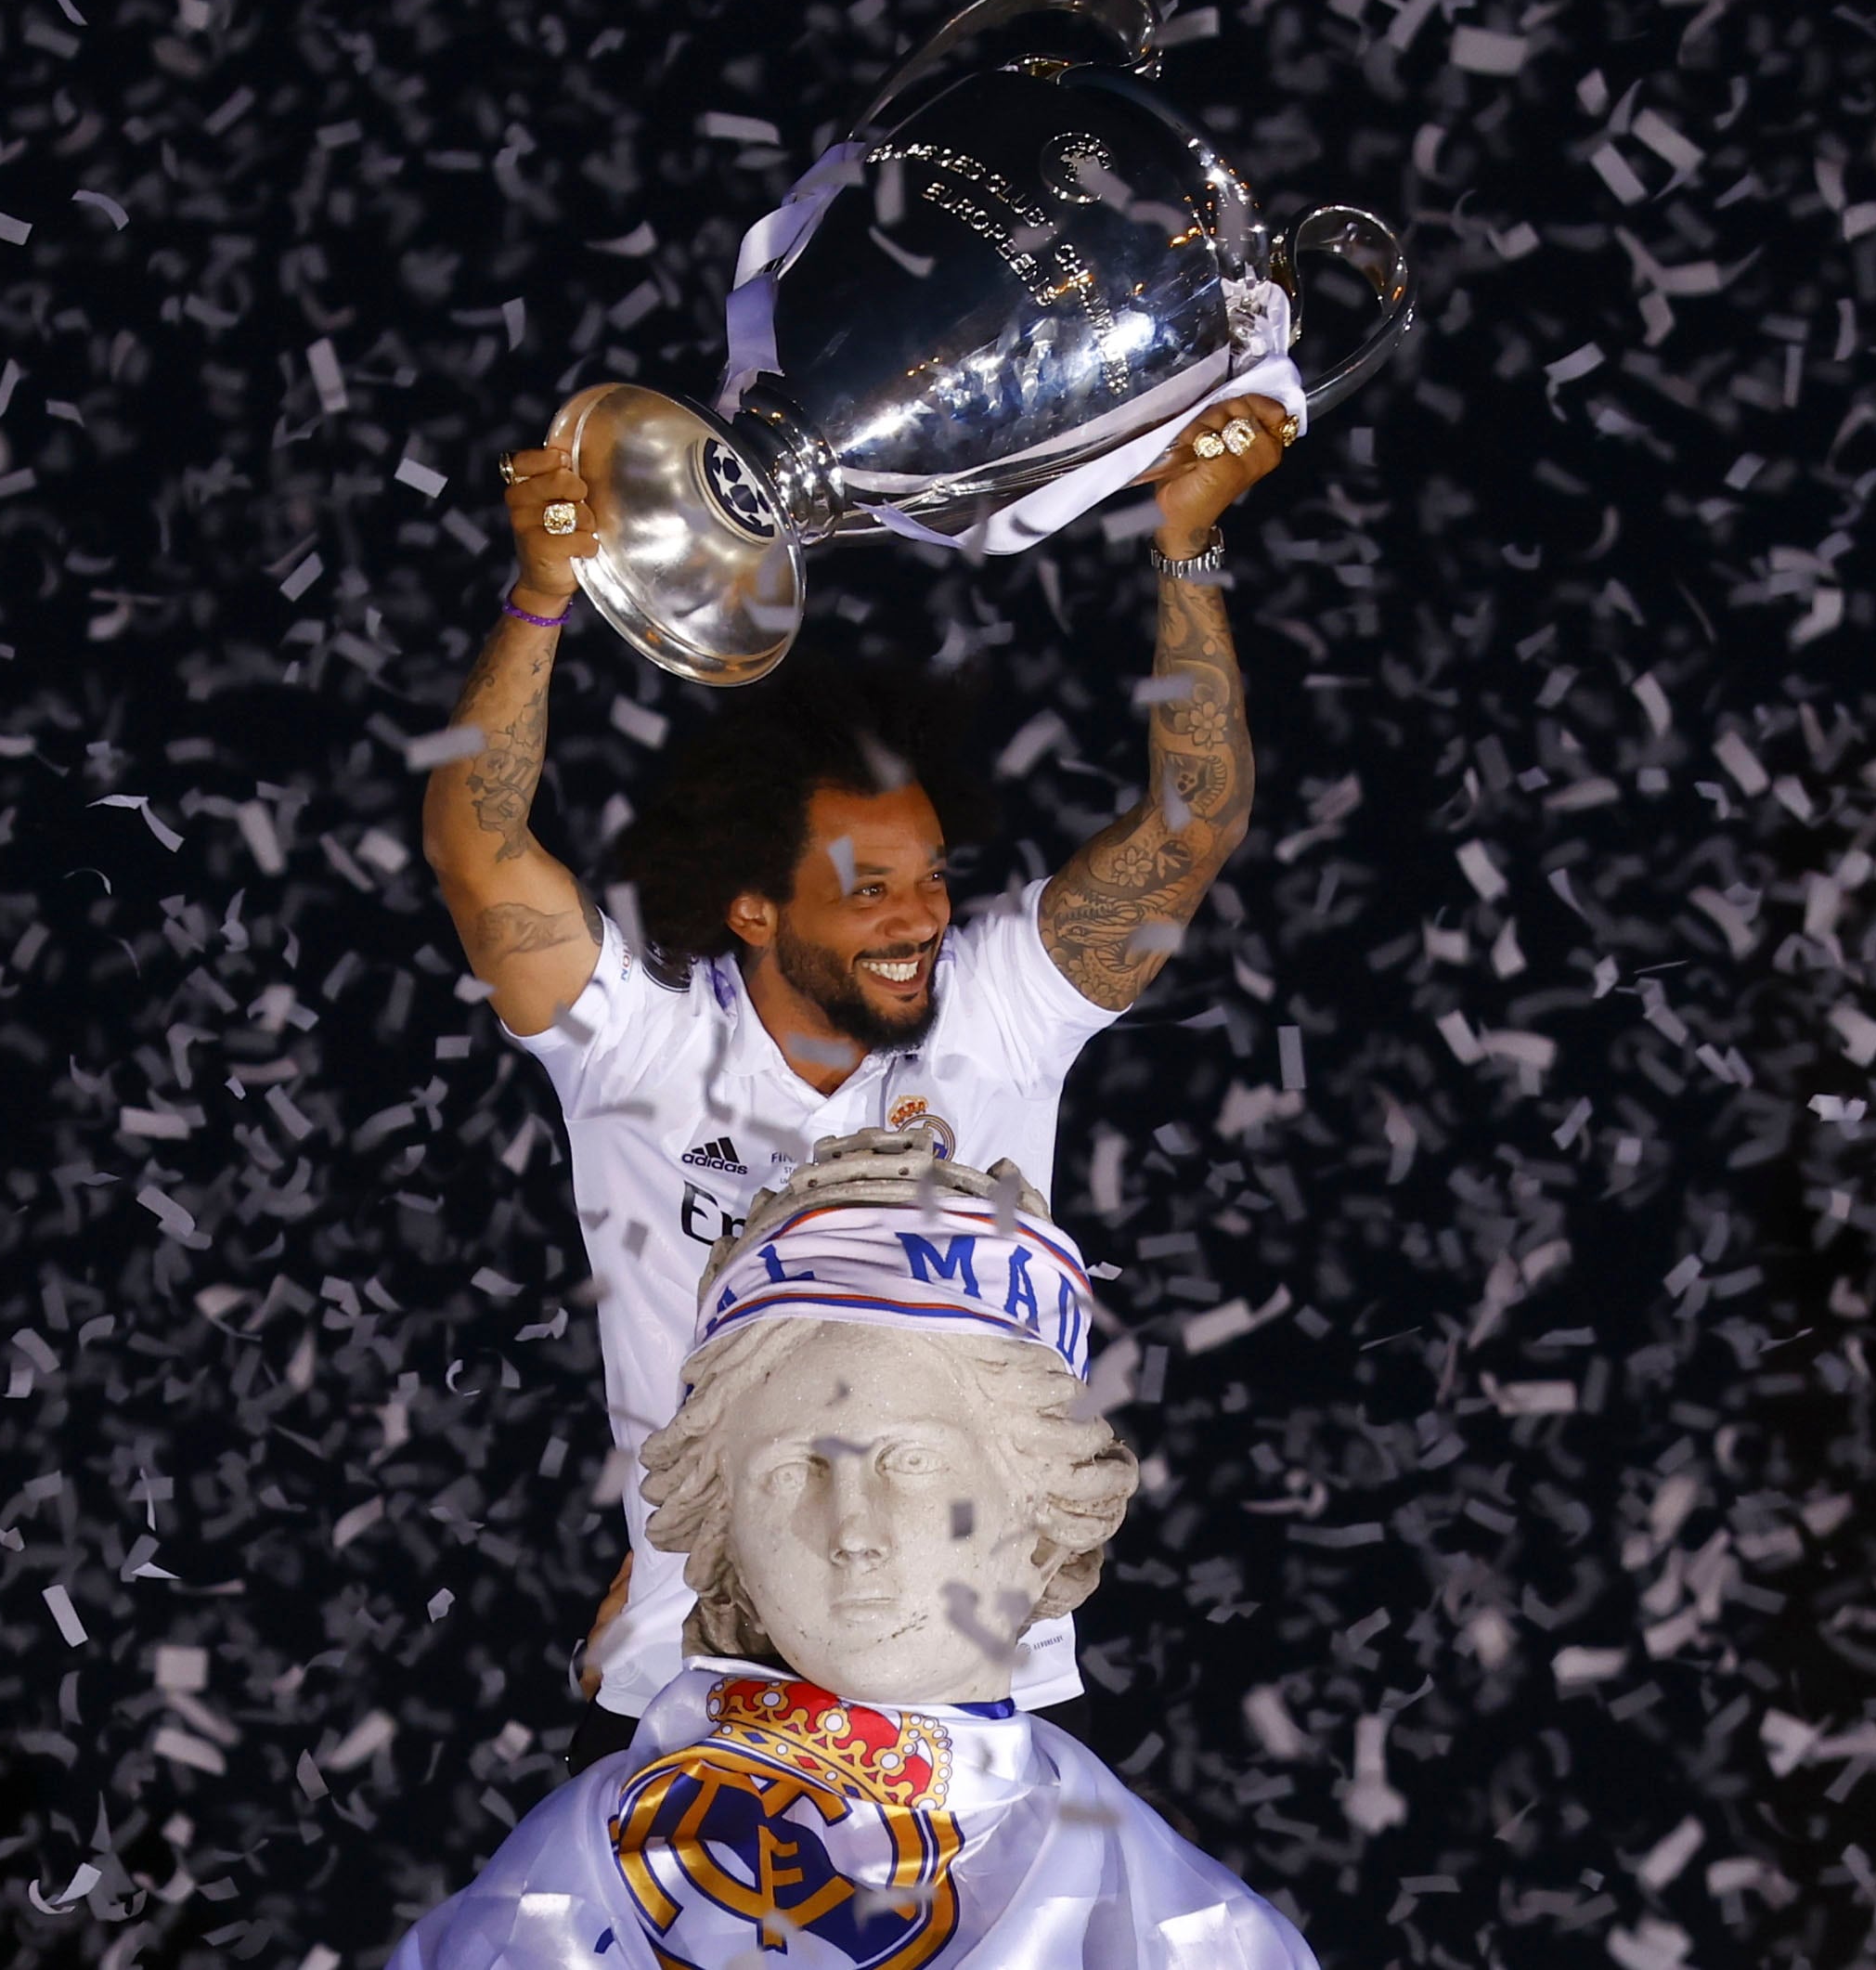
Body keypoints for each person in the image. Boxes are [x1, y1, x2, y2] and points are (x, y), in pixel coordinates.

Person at [420, 394, 1296, 1766]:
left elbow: (1194, 828)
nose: (919, 917)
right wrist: (540, 597)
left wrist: (1184, 551)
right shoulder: (642, 1046)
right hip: (698, 1666)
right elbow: (479, 850)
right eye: (868, 887)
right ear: (756, 910)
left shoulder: (997, 1010)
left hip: (972, 1669)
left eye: (931, 877)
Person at [382, 1132, 1316, 1970]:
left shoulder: (1187, 1934)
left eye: (910, 1461)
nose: (853, 1532)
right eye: (791, 1473)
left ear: (1043, 1505)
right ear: (727, 1531)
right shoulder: (546, 1900)